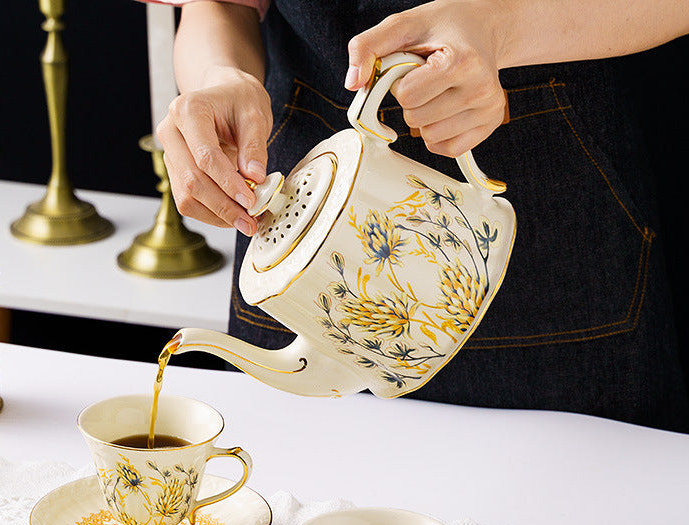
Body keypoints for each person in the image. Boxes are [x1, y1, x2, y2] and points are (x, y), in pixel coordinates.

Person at [146, 0, 689, 433]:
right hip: (296, 213)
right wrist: (221, 78)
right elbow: (219, 4)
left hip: (559, 234)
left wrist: (500, 28)